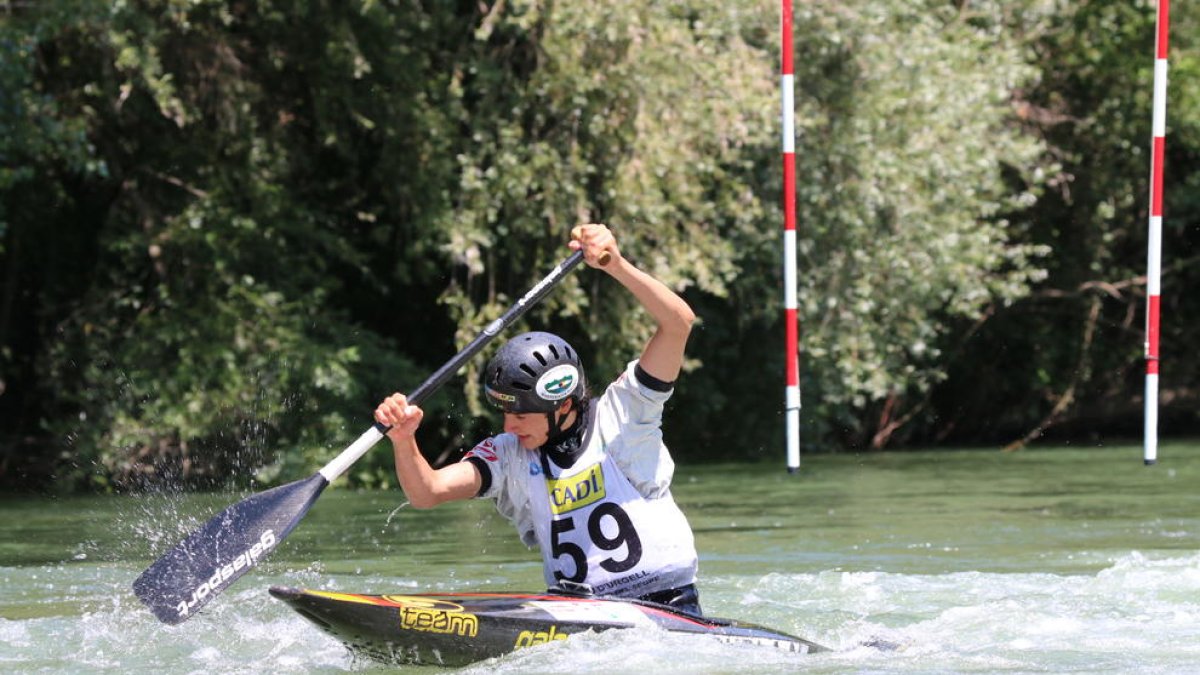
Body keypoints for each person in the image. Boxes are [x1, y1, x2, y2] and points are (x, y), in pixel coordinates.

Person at [374, 223, 702, 614]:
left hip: (669, 607)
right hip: (577, 617)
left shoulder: (624, 415)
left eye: (523, 414)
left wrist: (616, 266)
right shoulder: (509, 455)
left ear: (563, 405)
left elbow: (678, 323)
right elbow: (426, 492)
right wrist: (403, 438)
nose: (510, 426)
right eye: (505, 413)